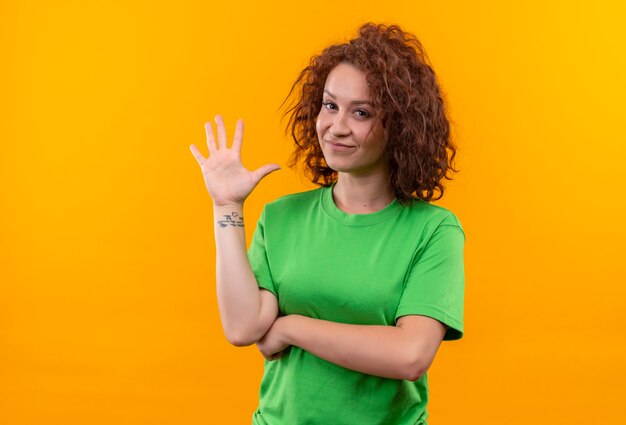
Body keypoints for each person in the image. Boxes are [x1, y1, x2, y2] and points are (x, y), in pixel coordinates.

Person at [190, 22, 465, 425]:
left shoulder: (434, 230)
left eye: (362, 112)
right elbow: (243, 327)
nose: (336, 127)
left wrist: (292, 328)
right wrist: (226, 208)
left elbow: (410, 355)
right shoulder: (282, 216)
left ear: (400, 127)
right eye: (330, 105)